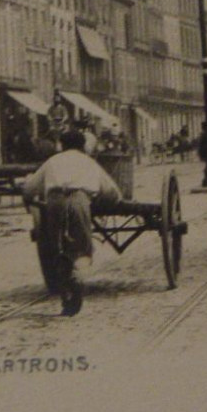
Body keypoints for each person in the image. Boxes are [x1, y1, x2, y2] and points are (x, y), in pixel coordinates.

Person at [21, 128, 122, 316]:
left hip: (54, 202)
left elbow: (29, 188)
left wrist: (28, 197)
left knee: (56, 246)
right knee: (82, 246)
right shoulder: (88, 162)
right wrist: (110, 202)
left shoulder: (52, 162)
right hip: (79, 200)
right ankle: (77, 276)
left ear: (62, 145)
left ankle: (66, 288)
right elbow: (111, 192)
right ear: (83, 146)